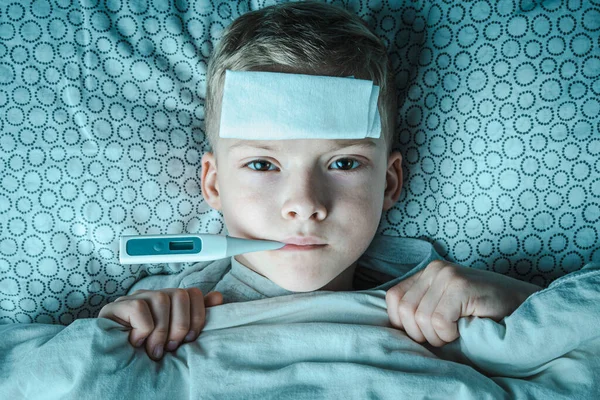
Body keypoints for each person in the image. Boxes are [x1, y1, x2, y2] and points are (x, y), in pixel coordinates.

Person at [98, 1, 542, 361]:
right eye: (263, 164)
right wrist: (111, 338)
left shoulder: (448, 307)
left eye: (344, 163)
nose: (305, 203)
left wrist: (523, 304)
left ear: (389, 183)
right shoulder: (156, 317)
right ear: (213, 184)